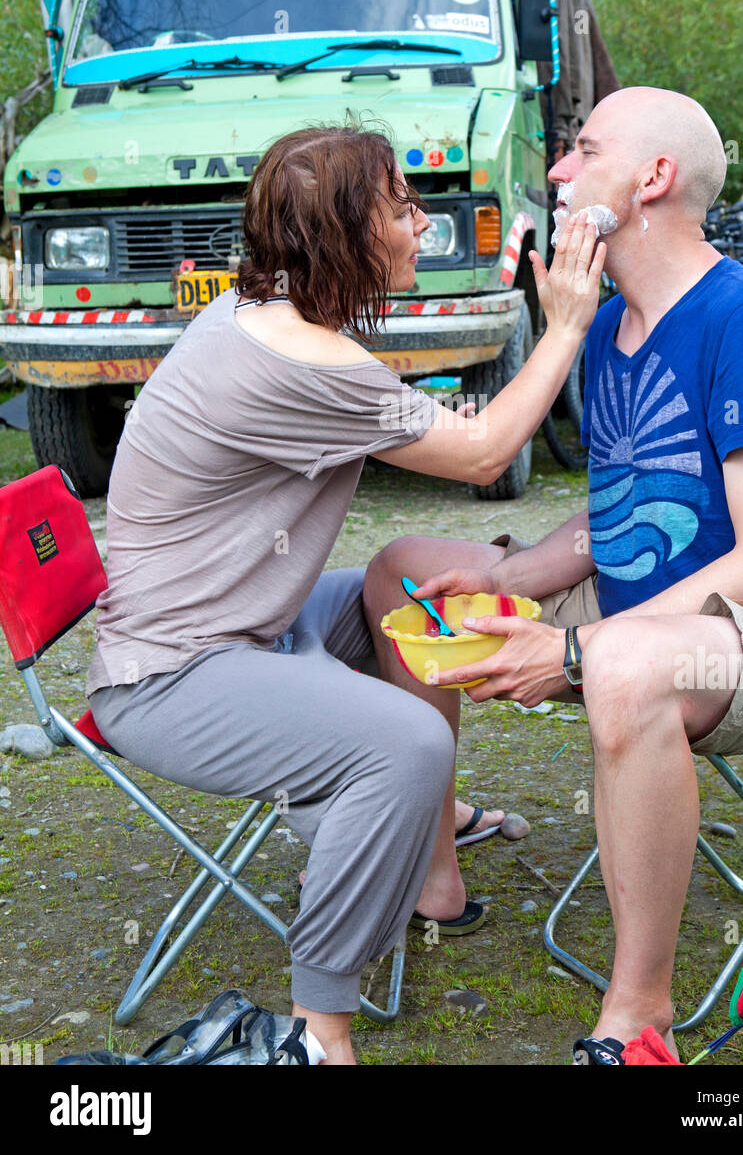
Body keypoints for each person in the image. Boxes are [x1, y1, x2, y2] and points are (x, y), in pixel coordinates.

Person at [363, 87, 743, 1065]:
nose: (555, 169)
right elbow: (616, 515)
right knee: (402, 569)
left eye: (580, 149)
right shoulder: (605, 329)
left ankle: (639, 1013)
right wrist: (503, 573)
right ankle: (433, 875)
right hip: (637, 607)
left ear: (650, 179)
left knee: (628, 666)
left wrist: (575, 648)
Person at [86, 124, 604, 1065]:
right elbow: (486, 453)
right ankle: (320, 1031)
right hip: (170, 676)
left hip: (251, 631)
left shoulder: (268, 315)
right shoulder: (303, 363)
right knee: (397, 740)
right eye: (401, 207)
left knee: (402, 568)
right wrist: (565, 323)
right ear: (344, 234)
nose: (420, 225)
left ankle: (432, 871)